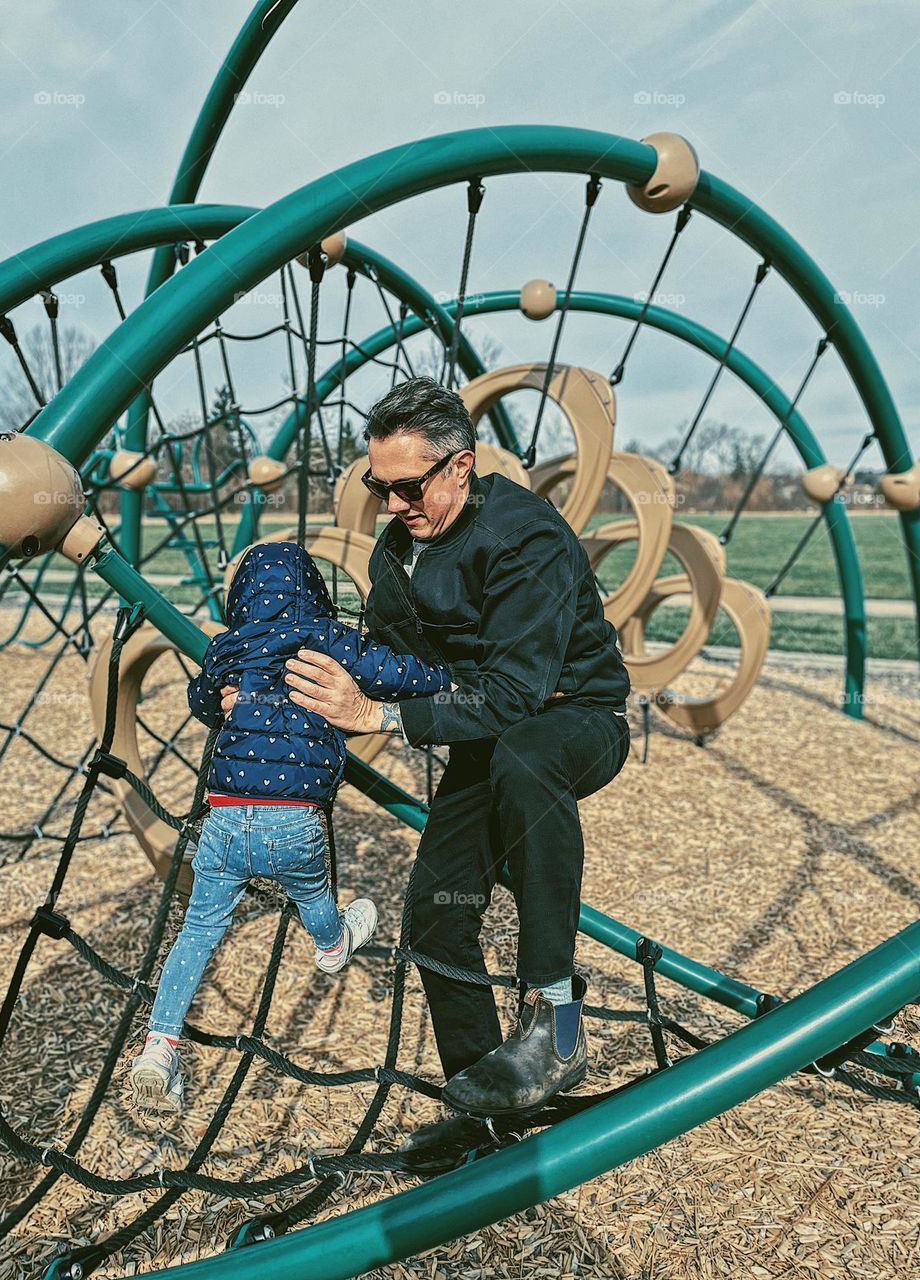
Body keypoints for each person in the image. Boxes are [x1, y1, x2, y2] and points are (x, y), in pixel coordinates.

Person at [266, 377, 633, 1118]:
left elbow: (514, 695)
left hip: (576, 720)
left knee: (528, 754)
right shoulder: (400, 549)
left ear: (460, 466)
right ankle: (487, 1094)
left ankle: (558, 1021)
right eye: (379, 487)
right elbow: (388, 658)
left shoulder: (524, 538)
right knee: (436, 912)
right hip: (486, 731)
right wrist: (275, 684)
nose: (393, 506)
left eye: (407, 487)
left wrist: (380, 716)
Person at [130, 540, 452, 1110]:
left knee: (199, 930)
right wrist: (443, 675)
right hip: (296, 819)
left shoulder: (230, 647)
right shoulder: (328, 638)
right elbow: (396, 674)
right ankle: (330, 944)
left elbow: (201, 700)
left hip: (224, 815)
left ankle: (160, 1045)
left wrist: (226, 697)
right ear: (313, 591)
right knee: (311, 890)